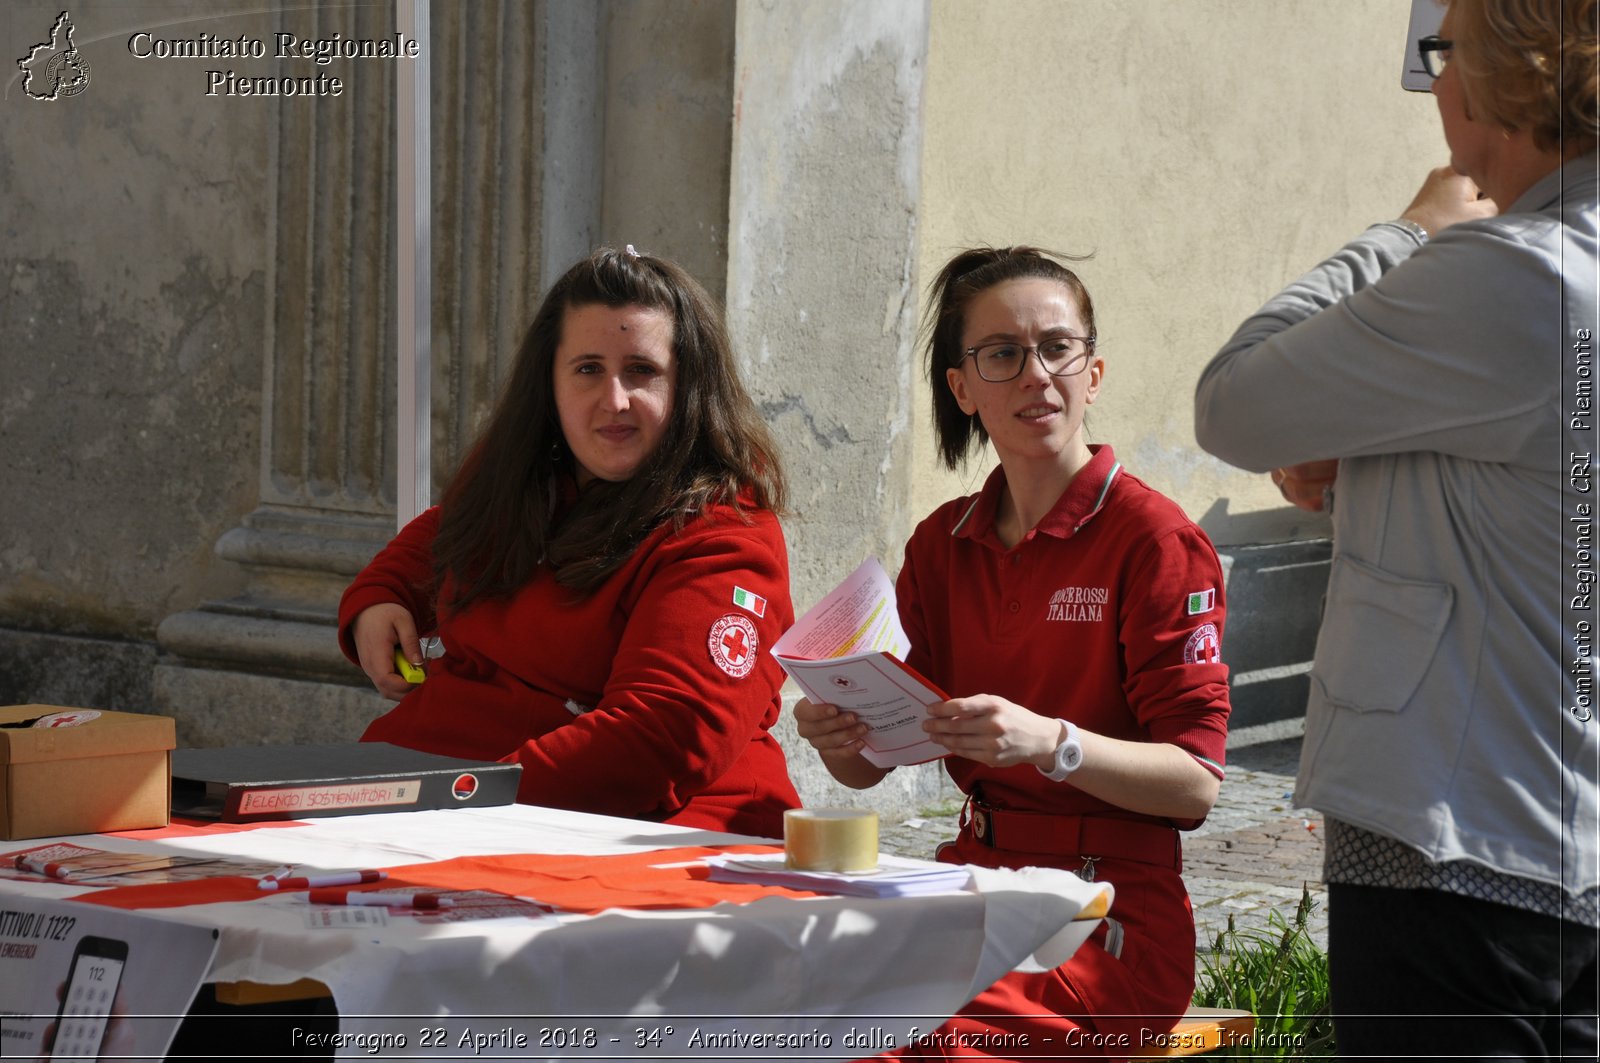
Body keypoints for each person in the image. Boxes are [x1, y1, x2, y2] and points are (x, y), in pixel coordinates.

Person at [1194, 1, 1599, 1056]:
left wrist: (1407, 230)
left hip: (1466, 850)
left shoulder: (1515, 272)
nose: (1434, 83)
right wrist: (1366, 448)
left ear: (1501, 78)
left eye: (1444, 50)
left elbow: (1234, 400)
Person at [797, 246, 1232, 1056]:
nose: (1037, 374)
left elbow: (1195, 785)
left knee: (897, 1039)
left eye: (1058, 347)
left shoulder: (1155, 540)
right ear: (962, 388)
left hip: (1105, 915)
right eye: (1002, 353)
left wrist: (1052, 743)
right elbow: (871, 766)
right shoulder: (943, 541)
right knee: (782, 1000)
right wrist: (842, 734)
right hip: (971, 884)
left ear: (1093, 373)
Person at [338, 246, 801, 839]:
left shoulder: (724, 531)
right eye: (588, 369)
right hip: (441, 795)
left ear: (688, 386)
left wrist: (468, 801)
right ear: (549, 382)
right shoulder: (524, 472)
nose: (614, 400)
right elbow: (446, 529)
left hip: (628, 835)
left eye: (642, 371)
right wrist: (382, 595)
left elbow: (664, 734)